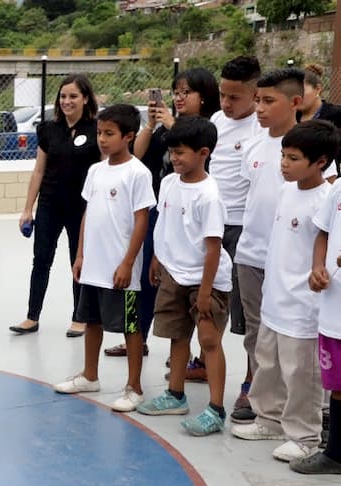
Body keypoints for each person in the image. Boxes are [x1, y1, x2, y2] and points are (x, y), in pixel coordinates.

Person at [230, 121, 337, 461]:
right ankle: (269, 419)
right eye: (283, 155)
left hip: (303, 305)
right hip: (275, 298)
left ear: (320, 162)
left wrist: (316, 279)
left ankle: (304, 435)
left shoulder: (325, 198)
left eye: (293, 158)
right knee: (269, 363)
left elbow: (324, 249)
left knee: (300, 372)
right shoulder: (287, 191)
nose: (284, 164)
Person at [106, 67, 219, 360]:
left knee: (184, 282)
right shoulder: (165, 127)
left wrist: (173, 125)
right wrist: (152, 125)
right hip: (160, 208)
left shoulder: (205, 130)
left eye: (186, 92)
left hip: (191, 215)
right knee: (144, 276)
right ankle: (136, 336)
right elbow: (139, 154)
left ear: (204, 97)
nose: (179, 98)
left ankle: (185, 347)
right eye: (176, 92)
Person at [53, 105, 155, 413]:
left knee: (130, 326)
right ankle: (89, 375)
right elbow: (88, 214)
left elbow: (141, 221)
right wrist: (80, 254)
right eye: (99, 133)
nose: (102, 139)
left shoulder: (138, 173)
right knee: (91, 320)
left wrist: (127, 262)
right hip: (94, 266)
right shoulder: (96, 171)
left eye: (109, 134)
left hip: (120, 268)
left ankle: (134, 387)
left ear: (128, 136)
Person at [136, 116, 233, 435]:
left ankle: (216, 410)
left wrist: (205, 292)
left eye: (181, 152)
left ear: (203, 152)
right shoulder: (168, 183)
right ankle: (175, 395)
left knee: (208, 339)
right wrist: (157, 260)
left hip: (206, 279)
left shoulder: (209, 195)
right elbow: (164, 224)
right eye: (172, 153)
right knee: (179, 335)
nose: (174, 158)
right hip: (173, 273)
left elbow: (214, 247)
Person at [232, 68, 310, 425]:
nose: (259, 109)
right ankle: (255, 389)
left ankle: (300, 405)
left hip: (293, 260)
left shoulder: (311, 148)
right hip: (251, 254)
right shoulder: (252, 146)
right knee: (256, 331)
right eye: (258, 100)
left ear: (295, 102)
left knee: (294, 335)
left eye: (268, 101)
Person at [10, 74, 100, 339]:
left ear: (85, 98)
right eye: (63, 96)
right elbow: (39, 171)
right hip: (50, 204)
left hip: (80, 207)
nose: (67, 101)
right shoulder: (48, 130)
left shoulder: (96, 130)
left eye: (73, 96)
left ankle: (79, 317)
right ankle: (32, 316)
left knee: (78, 260)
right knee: (41, 260)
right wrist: (28, 208)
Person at [207, 56, 263, 421]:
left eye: (235, 97)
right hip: (213, 223)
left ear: (255, 95)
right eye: (223, 94)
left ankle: (250, 382)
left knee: (245, 312)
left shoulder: (262, 128)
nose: (226, 103)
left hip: (243, 228)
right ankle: (204, 359)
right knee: (209, 302)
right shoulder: (215, 121)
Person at [293, 171, 341, 474]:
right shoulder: (339, 190)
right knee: (337, 385)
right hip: (334, 305)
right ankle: (335, 453)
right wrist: (317, 267)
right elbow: (323, 232)